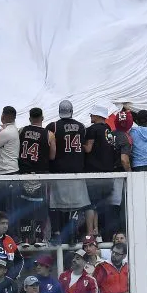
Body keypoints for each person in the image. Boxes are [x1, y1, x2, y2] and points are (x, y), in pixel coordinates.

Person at [47, 100, 90, 244]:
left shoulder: (53, 126)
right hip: (77, 170)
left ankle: (57, 233)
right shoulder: (81, 126)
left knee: (56, 203)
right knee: (75, 205)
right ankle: (72, 234)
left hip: (59, 169)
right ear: (72, 110)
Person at [17, 108, 51, 246]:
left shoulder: (22, 131)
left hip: (24, 174)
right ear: (42, 118)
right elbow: (53, 155)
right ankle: (39, 238)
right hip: (40, 174)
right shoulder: (48, 134)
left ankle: (25, 238)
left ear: (30, 118)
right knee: (40, 206)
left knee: (24, 206)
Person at [84, 104, 118, 239]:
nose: (91, 116)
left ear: (98, 115)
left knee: (91, 203)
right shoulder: (108, 129)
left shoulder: (92, 129)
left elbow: (88, 149)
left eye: (92, 114)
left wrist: (80, 144)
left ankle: (90, 233)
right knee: (101, 204)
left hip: (94, 172)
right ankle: (98, 231)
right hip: (108, 173)